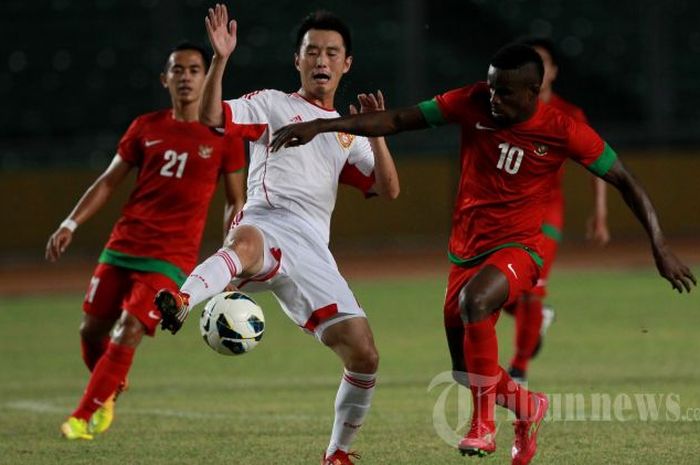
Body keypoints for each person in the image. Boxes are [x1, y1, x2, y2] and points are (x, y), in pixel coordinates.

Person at [270, 43, 696, 464]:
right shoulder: (471, 101)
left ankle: (482, 425)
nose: (494, 98)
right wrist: (323, 127)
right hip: (466, 252)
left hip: (521, 248)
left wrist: (659, 246)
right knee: (465, 369)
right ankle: (528, 408)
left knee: (476, 301)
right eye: (492, 88)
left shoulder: (563, 129)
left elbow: (627, 180)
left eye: (505, 92)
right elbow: (400, 119)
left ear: (533, 91)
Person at [155, 5, 399, 465]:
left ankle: (338, 454)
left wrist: (378, 130)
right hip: (265, 221)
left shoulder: (348, 133)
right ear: (298, 60)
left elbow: (389, 189)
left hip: (312, 251)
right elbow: (211, 117)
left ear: (346, 64)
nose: (321, 60)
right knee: (243, 242)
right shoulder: (272, 103)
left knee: (364, 354)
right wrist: (220, 59)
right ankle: (184, 299)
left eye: (332, 52)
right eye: (312, 52)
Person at [45, 42, 247, 440]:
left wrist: (231, 258)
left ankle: (84, 415)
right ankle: (110, 390)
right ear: (165, 79)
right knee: (90, 331)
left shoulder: (224, 136)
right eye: (178, 70)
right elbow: (108, 181)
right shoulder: (146, 127)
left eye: (194, 69)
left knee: (129, 328)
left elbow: (235, 200)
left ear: (207, 78)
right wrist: (70, 222)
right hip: (123, 245)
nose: (186, 76)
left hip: (171, 257)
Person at [504, 37, 611, 385]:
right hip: (505, 215)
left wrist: (600, 213)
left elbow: (598, 163)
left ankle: (519, 370)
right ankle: (535, 317)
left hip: (547, 214)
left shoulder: (569, 115)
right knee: (490, 290)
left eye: (543, 63)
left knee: (533, 287)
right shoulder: (506, 109)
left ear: (552, 72)